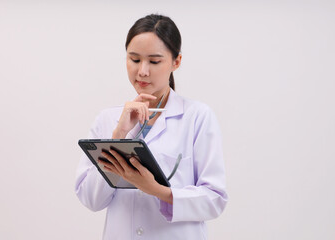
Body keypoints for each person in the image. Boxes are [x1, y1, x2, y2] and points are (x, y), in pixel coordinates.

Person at [75, 14, 228, 240]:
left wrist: (157, 190)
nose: (142, 71)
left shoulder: (197, 117)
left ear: (176, 62)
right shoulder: (108, 119)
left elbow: (215, 200)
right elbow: (91, 199)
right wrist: (119, 134)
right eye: (134, 59)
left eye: (154, 61)